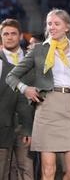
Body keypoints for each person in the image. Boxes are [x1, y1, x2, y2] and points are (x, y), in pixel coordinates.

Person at [6, 9, 70, 180]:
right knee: (48, 171)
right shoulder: (39, 50)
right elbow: (12, 76)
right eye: (49, 24)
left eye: (56, 23)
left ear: (67, 27)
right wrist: (26, 89)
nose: (51, 27)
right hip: (46, 110)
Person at [0, 19, 35, 180]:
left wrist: (29, 126)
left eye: (13, 33)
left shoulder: (32, 60)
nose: (9, 37)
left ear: (21, 36)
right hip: (2, 125)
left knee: (26, 171)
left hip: (26, 126)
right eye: (5, 34)